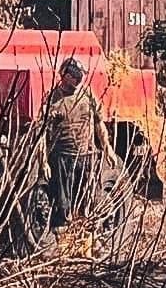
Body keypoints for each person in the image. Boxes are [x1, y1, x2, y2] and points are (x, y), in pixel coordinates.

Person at [43, 57, 114, 231]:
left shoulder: (87, 95)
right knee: (63, 206)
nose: (78, 80)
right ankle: (65, 246)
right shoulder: (53, 98)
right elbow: (42, 133)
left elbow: (99, 123)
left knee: (88, 203)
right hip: (61, 159)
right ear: (64, 76)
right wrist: (44, 161)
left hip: (86, 157)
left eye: (80, 76)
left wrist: (108, 148)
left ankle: (88, 245)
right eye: (74, 76)